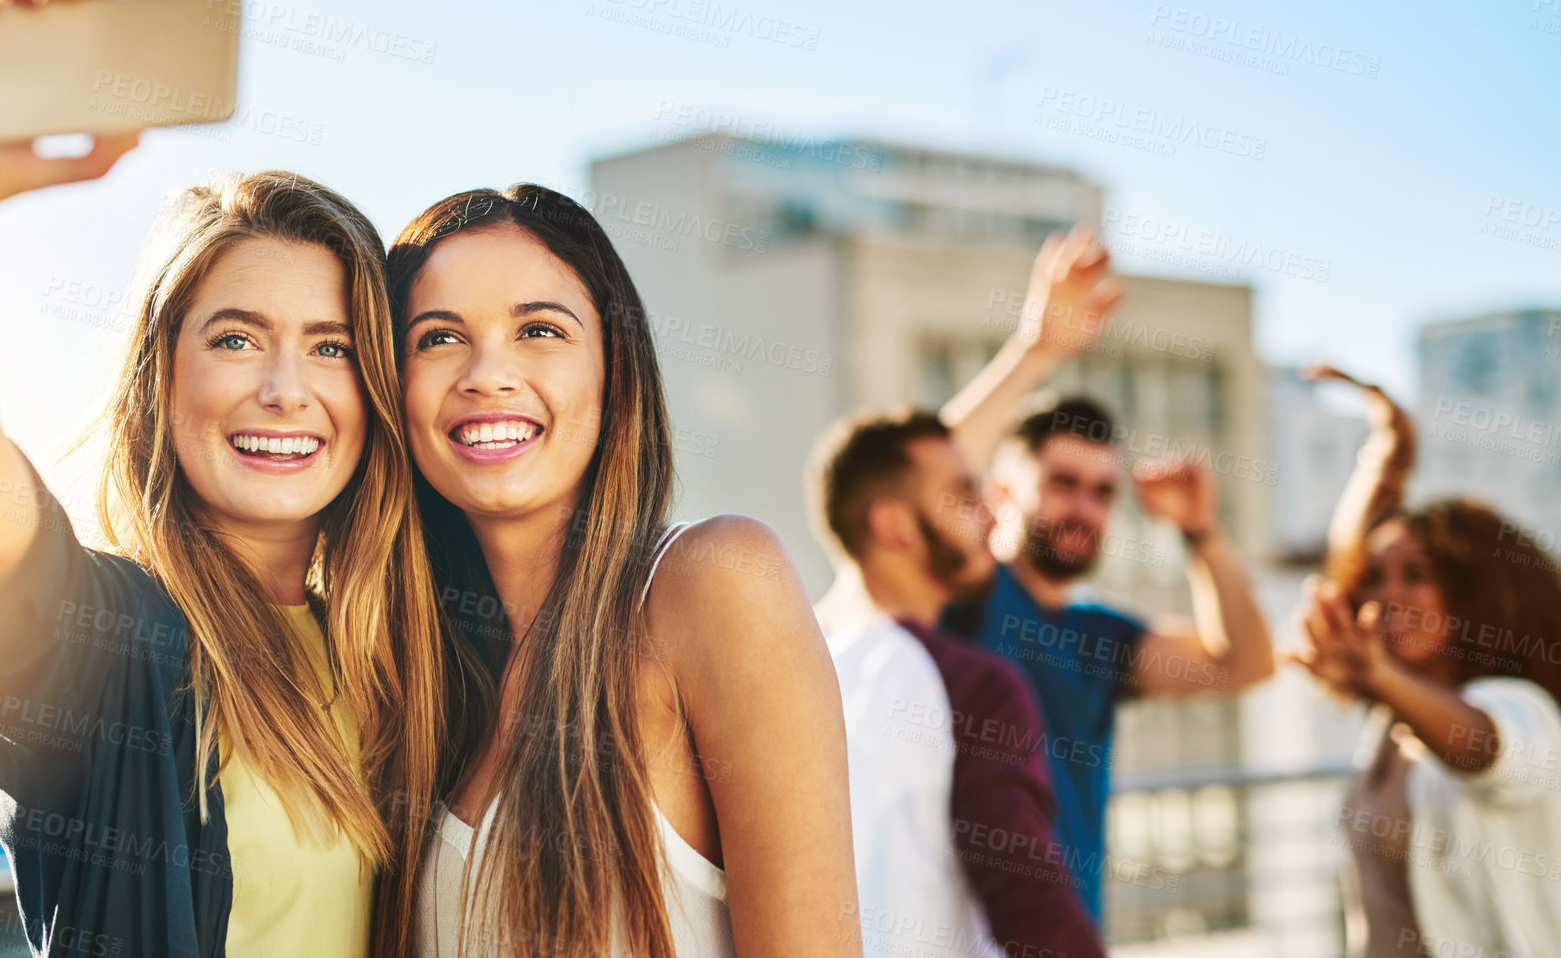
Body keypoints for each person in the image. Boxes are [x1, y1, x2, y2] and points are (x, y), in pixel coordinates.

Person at [0, 0, 442, 956]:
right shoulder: (113, 644)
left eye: (330, 346)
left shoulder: (393, 653)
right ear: (159, 382)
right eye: (237, 340)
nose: (287, 388)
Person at [387, 185, 859, 957]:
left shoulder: (713, 582)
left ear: (614, 369)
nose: (488, 374)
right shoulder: (411, 673)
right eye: (438, 338)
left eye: (539, 329)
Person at [936, 226, 1276, 920]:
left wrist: (1201, 533)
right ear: (1000, 491)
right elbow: (926, 483)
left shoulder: (1100, 638)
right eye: (1061, 481)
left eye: (1102, 490)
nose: (1084, 506)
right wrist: (1038, 352)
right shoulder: (966, 595)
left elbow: (1242, 664)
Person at [1287, 365, 1561, 958]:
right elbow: (1347, 574)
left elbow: (1487, 746)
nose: (1387, 596)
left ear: (1475, 594)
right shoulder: (1392, 716)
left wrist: (1378, 675)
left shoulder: (1522, 706)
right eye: (1379, 578)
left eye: (1417, 576)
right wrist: (1388, 459)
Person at [811, 408, 1106, 958]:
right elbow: (1033, 909)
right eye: (965, 496)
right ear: (895, 524)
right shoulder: (972, 686)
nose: (990, 517)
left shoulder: (798, 669)